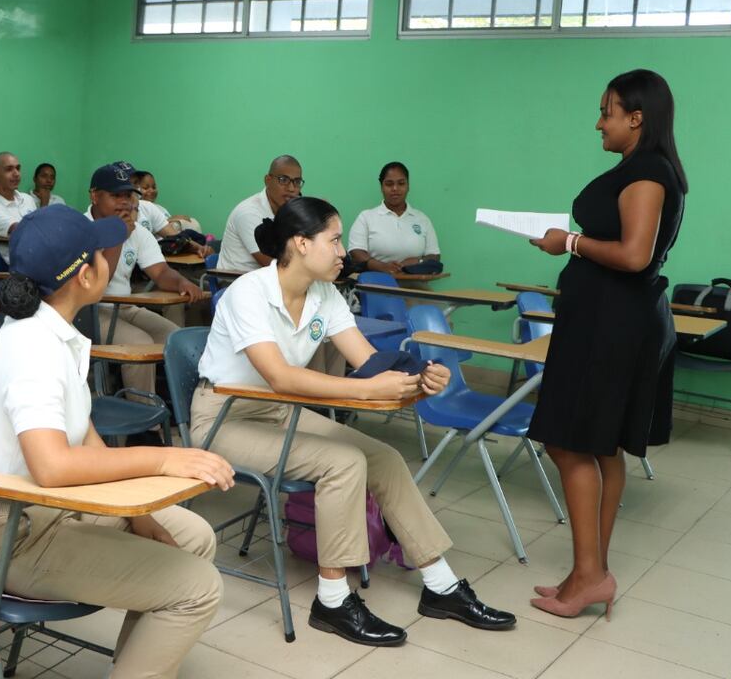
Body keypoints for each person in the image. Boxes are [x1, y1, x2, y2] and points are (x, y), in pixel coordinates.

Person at [193, 196, 515, 646]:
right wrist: (367, 390)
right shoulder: (250, 292)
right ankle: (332, 600)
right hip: (224, 417)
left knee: (381, 457)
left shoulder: (324, 294)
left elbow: (366, 360)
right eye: (335, 239)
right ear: (302, 244)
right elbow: (280, 375)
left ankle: (441, 586)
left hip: (277, 410)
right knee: (343, 463)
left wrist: (420, 376)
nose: (343, 250)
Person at [0, 204, 234, 679]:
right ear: (85, 276)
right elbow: (50, 467)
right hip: (15, 531)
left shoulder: (55, 333)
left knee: (193, 537)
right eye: (100, 251)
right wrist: (164, 459)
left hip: (54, 506)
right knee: (198, 587)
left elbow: (85, 438)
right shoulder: (32, 348)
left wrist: (138, 513)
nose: (112, 255)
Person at [526, 69, 687, 620]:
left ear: (635, 117)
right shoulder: (645, 168)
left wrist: (567, 241)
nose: (599, 122)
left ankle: (591, 573)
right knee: (600, 445)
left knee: (569, 442)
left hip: (609, 326)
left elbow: (635, 254)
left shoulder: (647, 172)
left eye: (607, 111)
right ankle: (587, 571)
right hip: (610, 320)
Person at [86, 162, 204, 400]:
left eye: (129, 195)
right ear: (95, 196)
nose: (125, 202)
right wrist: (117, 236)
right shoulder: (81, 229)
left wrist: (181, 283)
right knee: (140, 343)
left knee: (177, 338)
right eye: (115, 195)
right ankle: (143, 422)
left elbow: (160, 272)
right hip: (90, 311)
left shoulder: (136, 230)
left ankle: (177, 403)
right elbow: (95, 286)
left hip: (124, 306)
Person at [347, 162, 440, 274]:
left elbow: (434, 256)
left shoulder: (422, 219)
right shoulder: (366, 217)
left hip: (416, 284)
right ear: (381, 187)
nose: (395, 188)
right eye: (389, 184)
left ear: (408, 186)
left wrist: (418, 261)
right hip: (376, 284)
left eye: (401, 183)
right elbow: (355, 252)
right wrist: (382, 267)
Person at [216, 155, 303, 273]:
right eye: (284, 180)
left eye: (297, 182)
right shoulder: (249, 212)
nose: (292, 188)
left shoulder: (290, 211)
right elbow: (271, 264)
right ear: (268, 180)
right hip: (235, 282)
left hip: (268, 281)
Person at [0, 151, 37, 265]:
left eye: (18, 168)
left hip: (37, 257)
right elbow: (21, 230)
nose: (16, 173)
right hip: (18, 269)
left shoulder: (27, 199)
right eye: (9, 169)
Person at [132, 169, 203, 236]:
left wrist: (177, 219)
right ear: (135, 189)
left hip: (178, 240)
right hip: (163, 244)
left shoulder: (160, 208)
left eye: (154, 187)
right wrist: (170, 220)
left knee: (192, 222)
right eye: (146, 188)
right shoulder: (138, 210)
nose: (152, 190)